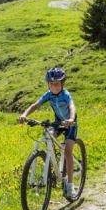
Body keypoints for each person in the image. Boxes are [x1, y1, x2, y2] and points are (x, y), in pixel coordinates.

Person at [18, 68, 79, 199]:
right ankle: (55, 166)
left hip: (69, 124)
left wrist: (71, 119)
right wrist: (24, 115)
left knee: (68, 150)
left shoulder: (66, 95)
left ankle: (70, 185)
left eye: (56, 84)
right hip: (58, 123)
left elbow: (72, 107)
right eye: (51, 84)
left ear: (62, 84)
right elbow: (35, 105)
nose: (54, 87)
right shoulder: (48, 95)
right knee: (48, 137)